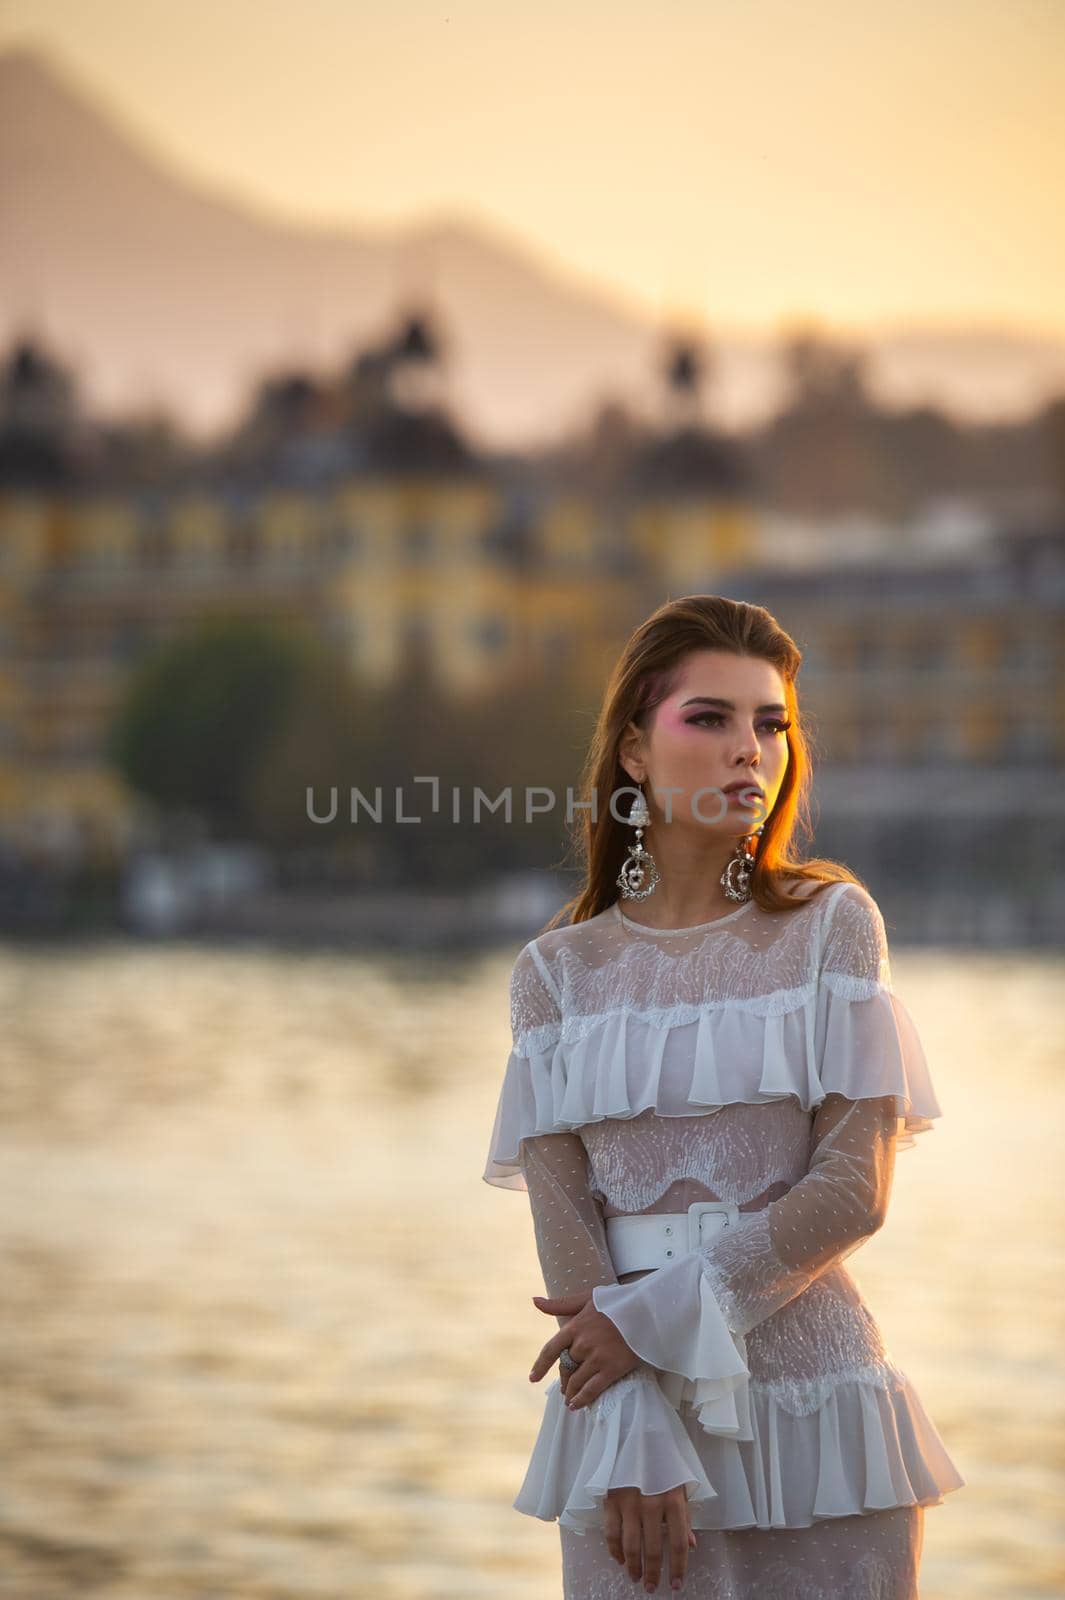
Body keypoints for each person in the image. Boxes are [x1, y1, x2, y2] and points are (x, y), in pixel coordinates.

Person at [483, 595, 965, 1598]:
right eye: (710, 718)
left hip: (816, 1419)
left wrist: (640, 1324)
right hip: (625, 1420)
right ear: (632, 750)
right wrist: (629, 1426)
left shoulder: (833, 925)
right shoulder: (553, 976)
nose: (750, 747)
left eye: (771, 722)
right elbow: (566, 1233)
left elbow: (851, 1191)